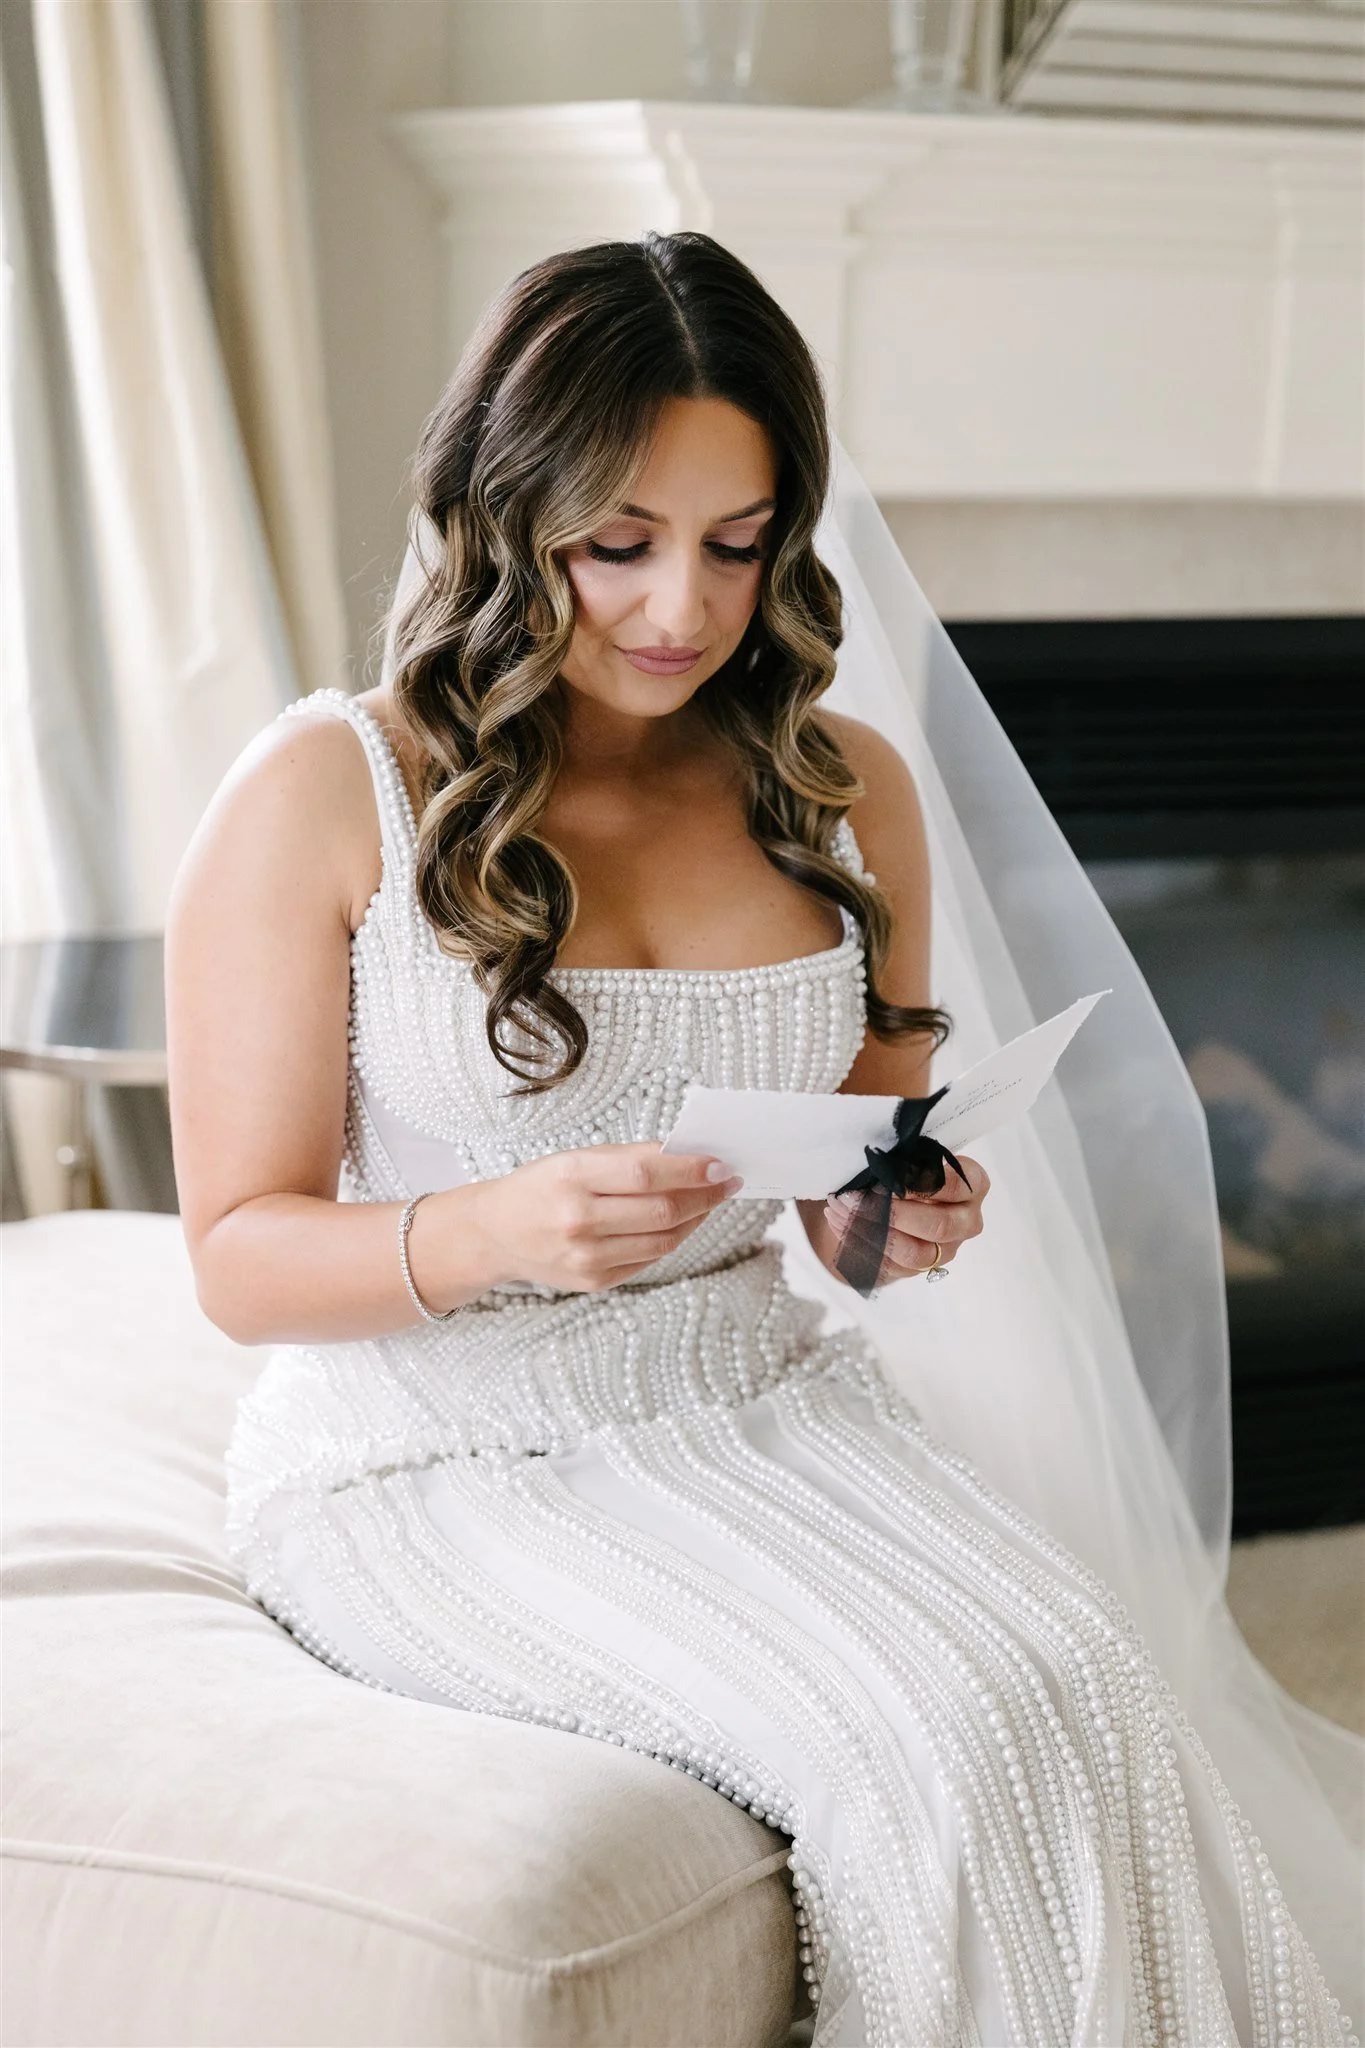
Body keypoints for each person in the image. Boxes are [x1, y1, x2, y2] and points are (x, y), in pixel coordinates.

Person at [166, 232, 1358, 2047]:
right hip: (435, 1455)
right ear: (508, 516)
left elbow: (850, 1209)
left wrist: (900, 1215)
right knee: (926, 1740)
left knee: (1089, 1680)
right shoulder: (329, 792)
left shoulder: (842, 786)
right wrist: (489, 1230)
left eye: (738, 545)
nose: (681, 610)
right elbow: (237, 1253)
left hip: (762, 1395)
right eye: (618, 544)